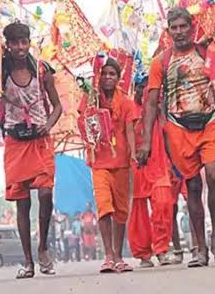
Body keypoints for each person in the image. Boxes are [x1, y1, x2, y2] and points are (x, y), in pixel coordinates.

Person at [137, 7, 215, 268]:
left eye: (183, 27)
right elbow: (152, 103)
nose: (179, 32)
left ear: (192, 27)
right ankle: (199, 247)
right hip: (179, 129)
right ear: (168, 31)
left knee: (214, 175)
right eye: (174, 28)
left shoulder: (206, 53)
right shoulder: (161, 62)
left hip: (210, 123)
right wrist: (146, 140)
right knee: (192, 187)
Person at [0, 22, 62, 278]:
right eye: (15, 43)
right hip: (15, 143)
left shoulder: (42, 70)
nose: (20, 47)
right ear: (8, 45)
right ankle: (28, 261)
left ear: (29, 43)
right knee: (22, 204)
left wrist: (47, 125)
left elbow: (57, 106)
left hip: (40, 142)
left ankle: (43, 247)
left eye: (24, 42)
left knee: (46, 194)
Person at [82, 58, 135, 273]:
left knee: (121, 211)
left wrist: (134, 154)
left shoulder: (127, 102)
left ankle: (119, 255)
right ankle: (108, 256)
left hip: (122, 162)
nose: (107, 78)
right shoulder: (90, 98)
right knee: (104, 207)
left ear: (118, 77)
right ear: (98, 76)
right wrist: (91, 102)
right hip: (99, 162)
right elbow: (83, 123)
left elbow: (130, 129)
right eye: (103, 74)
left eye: (112, 74)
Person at [128, 77, 174, 268]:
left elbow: (167, 133)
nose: (144, 91)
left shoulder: (158, 109)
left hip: (159, 165)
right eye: (140, 87)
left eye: (148, 88)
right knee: (138, 211)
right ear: (135, 89)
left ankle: (162, 249)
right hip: (136, 166)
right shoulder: (129, 108)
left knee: (163, 204)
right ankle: (143, 253)